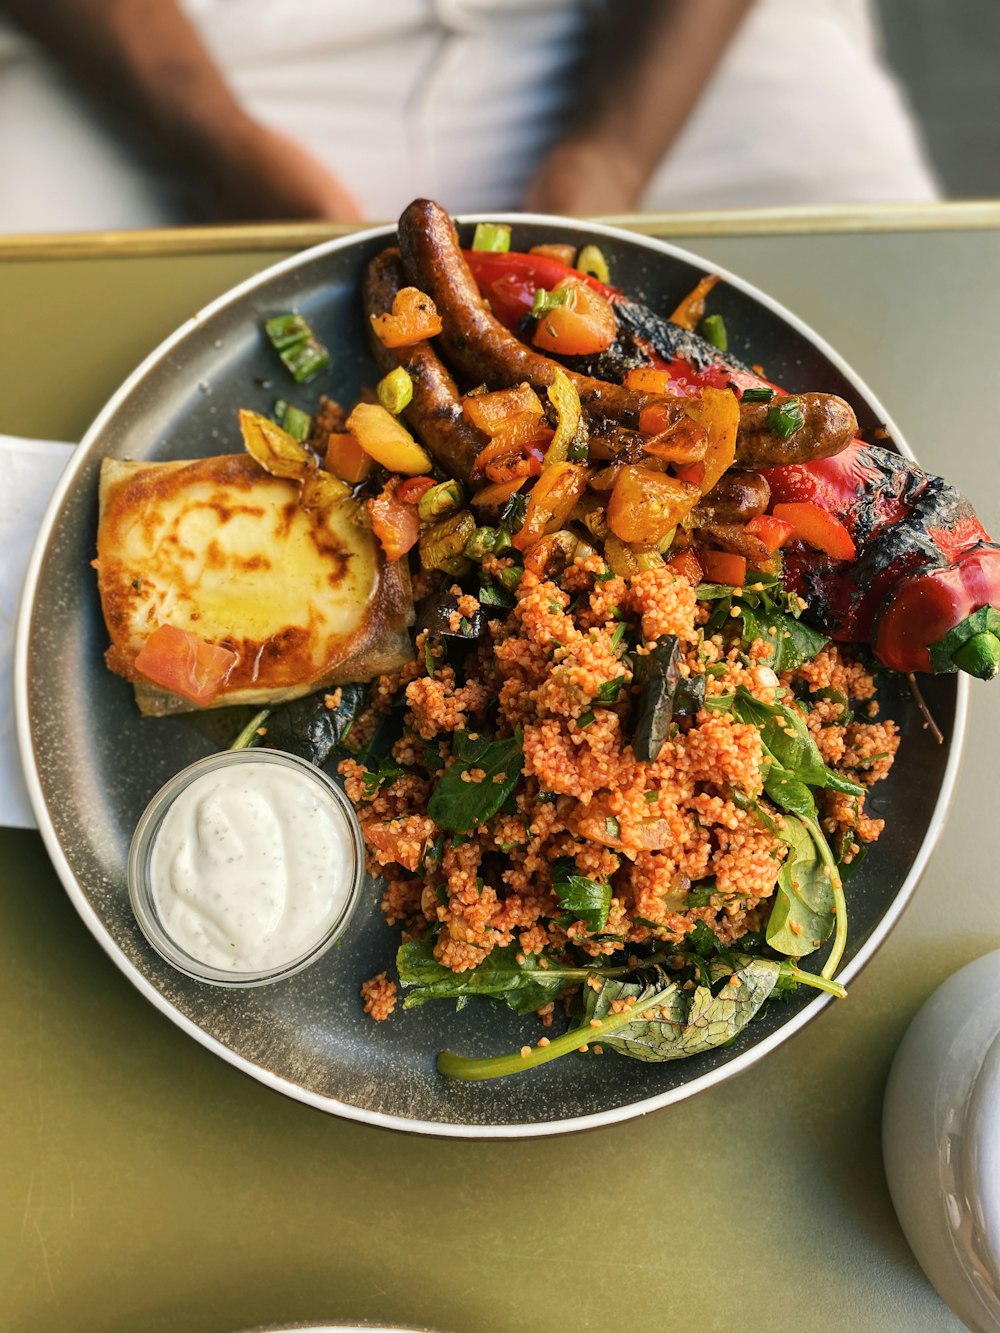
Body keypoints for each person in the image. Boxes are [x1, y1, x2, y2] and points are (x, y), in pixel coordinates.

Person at [0, 0, 937, 234]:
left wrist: (607, 158)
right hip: (207, 37)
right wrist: (217, 145)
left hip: (640, 36)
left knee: (882, 267)